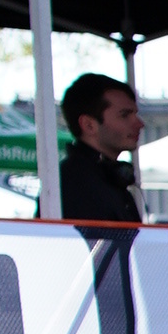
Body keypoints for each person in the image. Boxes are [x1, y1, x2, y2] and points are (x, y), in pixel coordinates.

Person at [54, 70, 141, 226]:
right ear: (89, 125)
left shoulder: (104, 177)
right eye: (125, 115)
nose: (140, 124)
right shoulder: (76, 183)